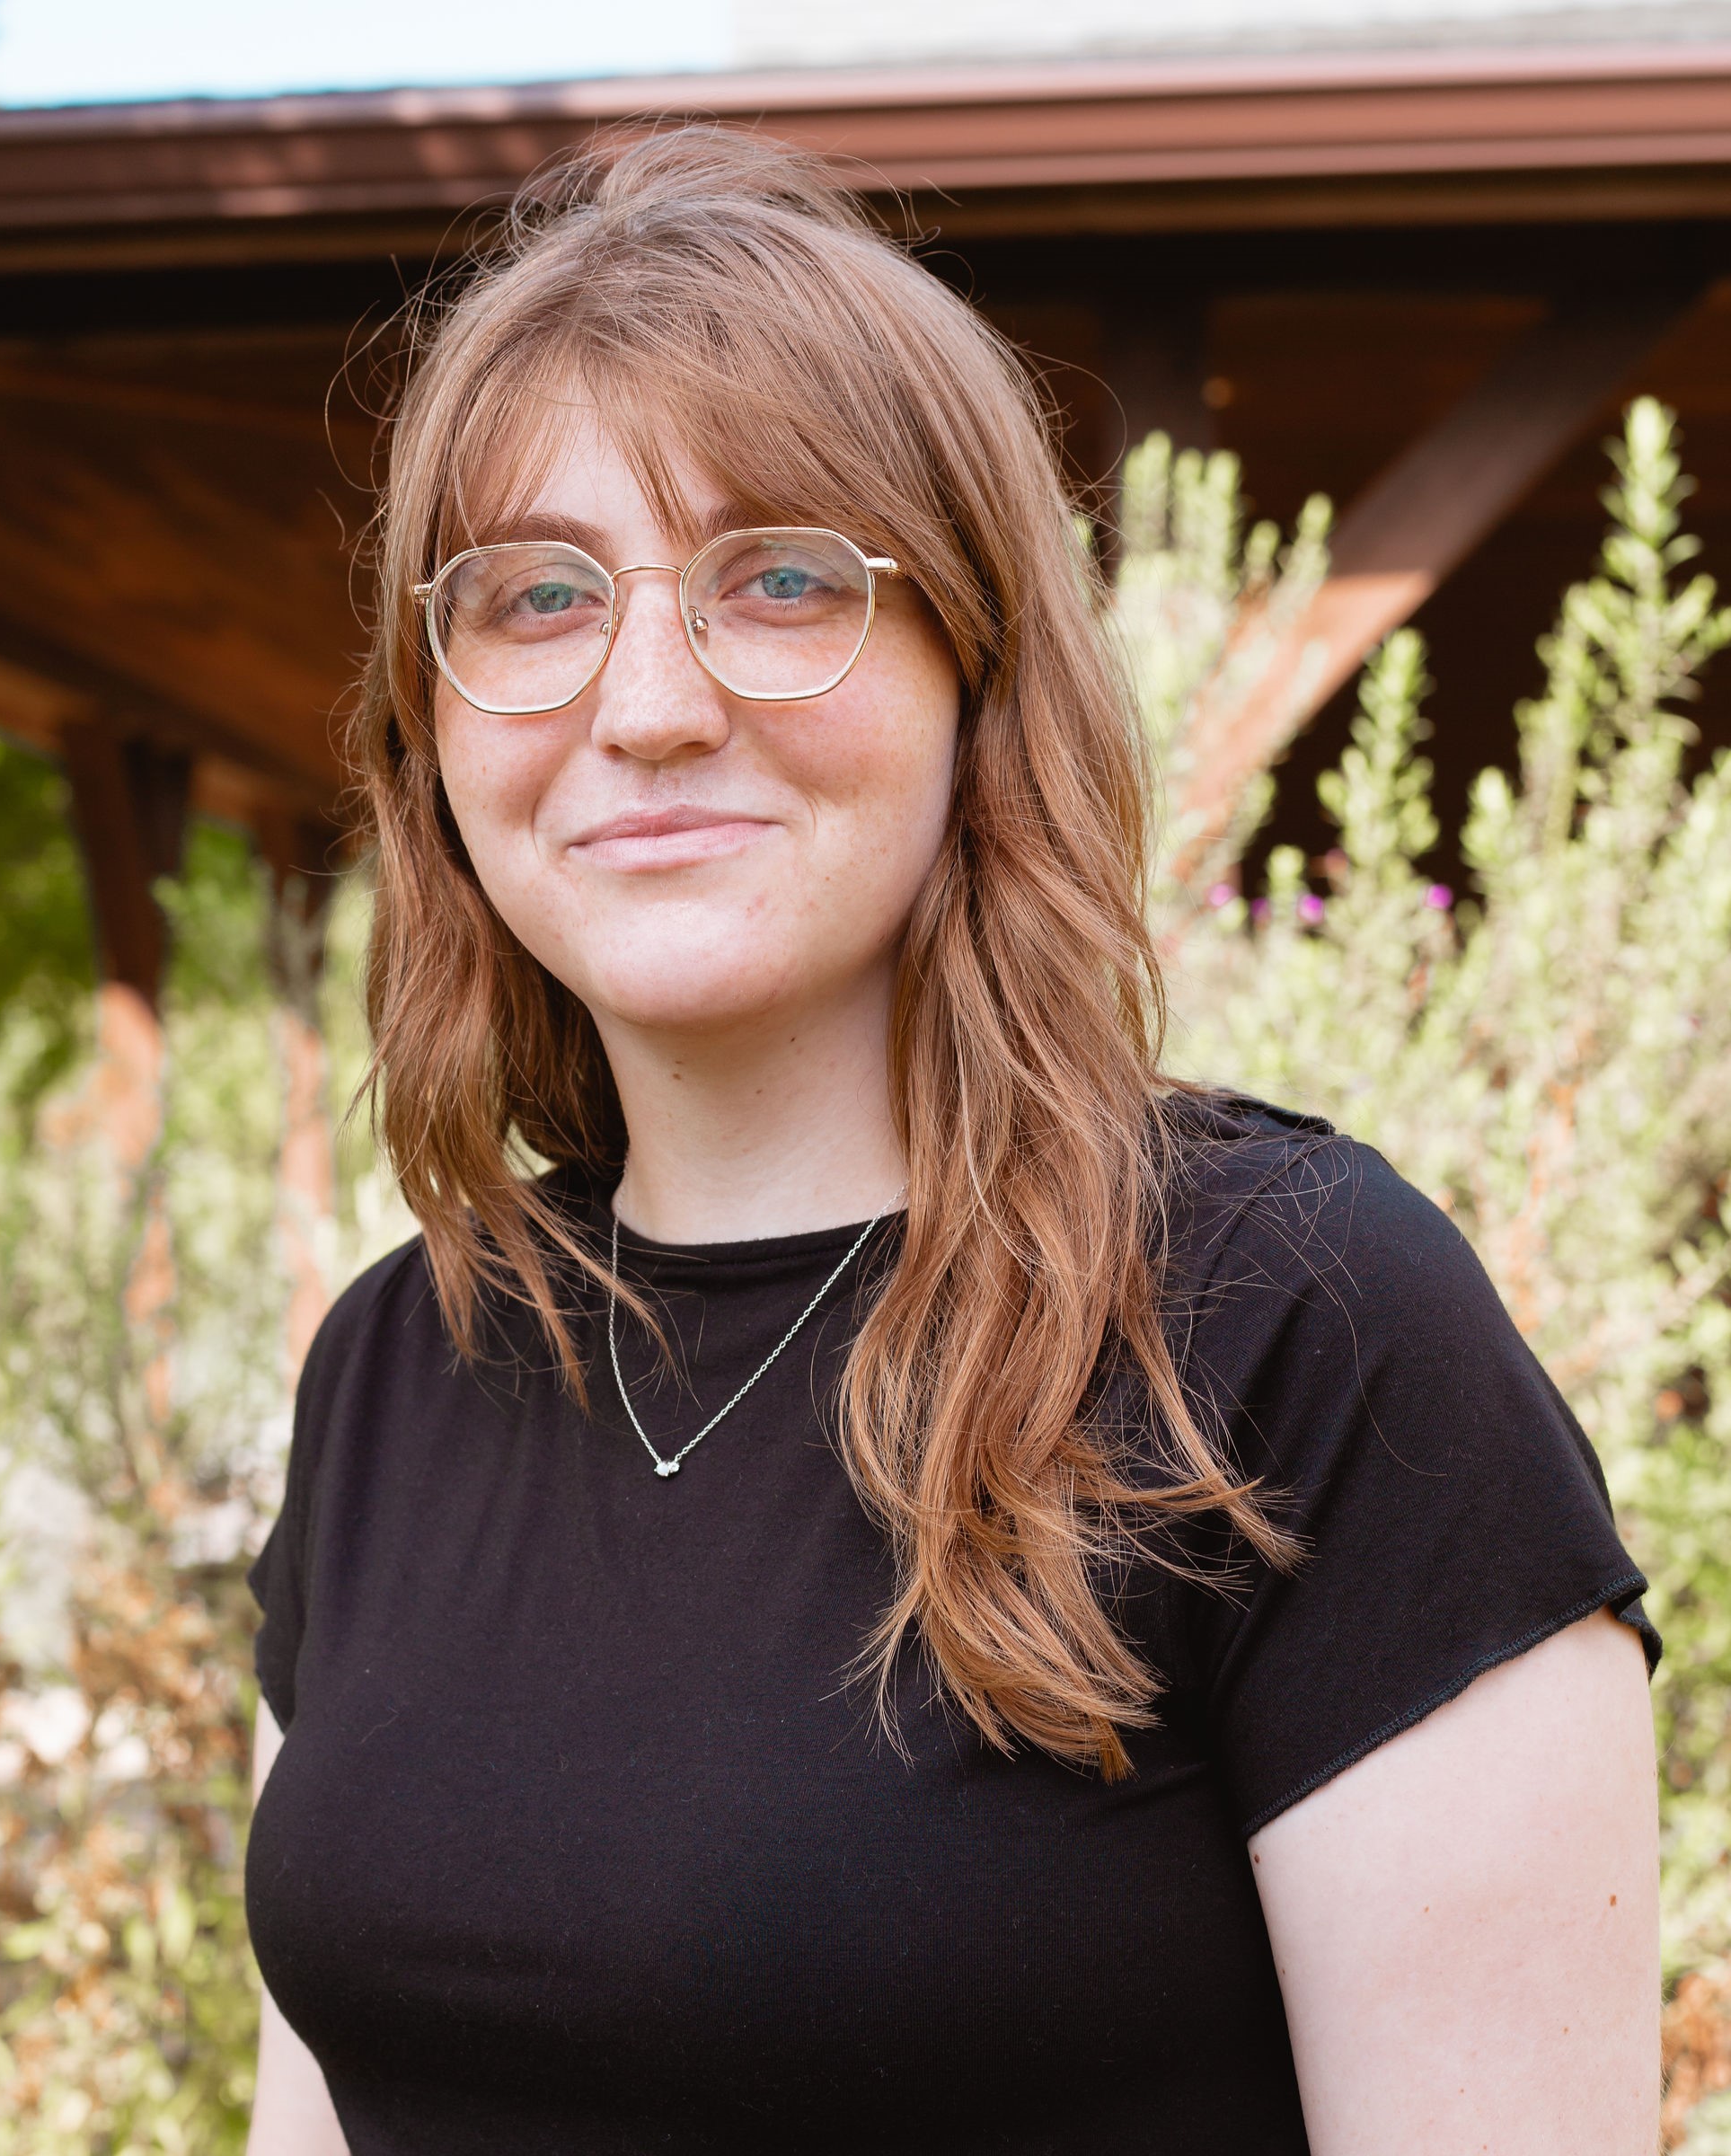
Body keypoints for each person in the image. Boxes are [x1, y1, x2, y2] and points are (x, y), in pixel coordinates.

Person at [243, 129, 1662, 2156]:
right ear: (433, 724)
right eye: (538, 596)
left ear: (976, 667)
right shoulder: (401, 1363)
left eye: (781, 577)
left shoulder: (1294, 1323)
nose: (647, 704)